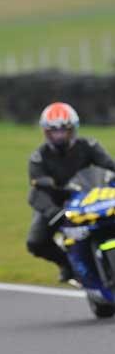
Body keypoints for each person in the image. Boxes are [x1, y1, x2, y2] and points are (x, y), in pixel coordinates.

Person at [27, 101, 115, 282]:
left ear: (73, 129)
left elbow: (109, 166)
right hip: (57, 203)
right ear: (46, 132)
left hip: (90, 196)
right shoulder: (38, 157)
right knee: (36, 242)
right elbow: (38, 189)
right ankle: (66, 264)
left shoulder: (89, 145)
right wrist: (53, 210)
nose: (59, 136)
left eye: (63, 130)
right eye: (54, 131)